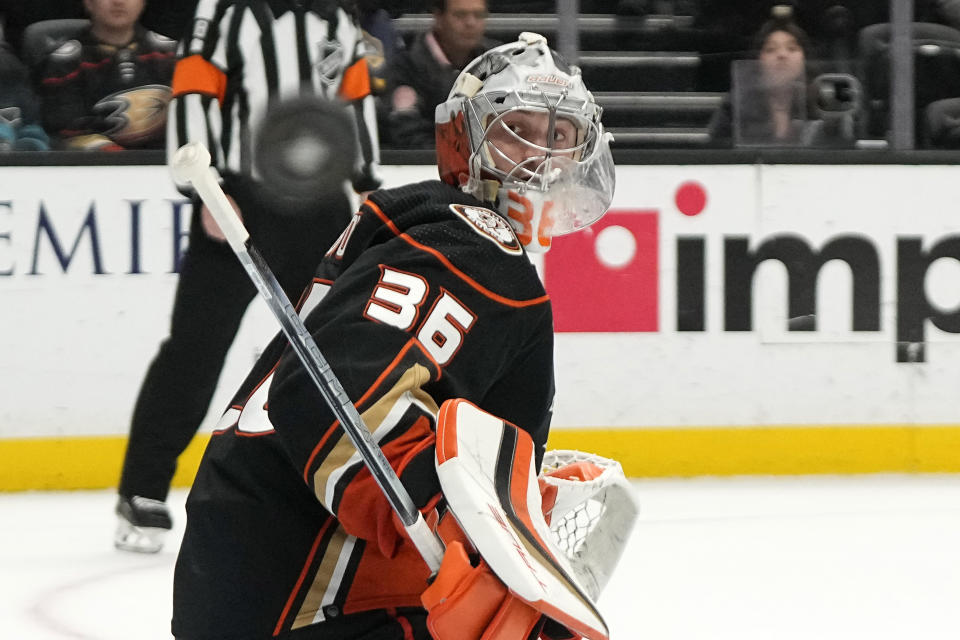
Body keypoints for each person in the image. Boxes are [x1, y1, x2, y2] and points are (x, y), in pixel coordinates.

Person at [171, 32, 615, 640]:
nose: (541, 156)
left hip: (243, 577)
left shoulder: (424, 234)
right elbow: (334, 396)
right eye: (519, 130)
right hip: (307, 600)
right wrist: (457, 527)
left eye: (560, 137)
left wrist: (501, 497)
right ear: (467, 137)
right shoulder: (480, 248)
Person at [114, 0, 383, 553]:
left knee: (331, 348)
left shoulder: (335, 16)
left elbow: (354, 98)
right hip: (237, 195)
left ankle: (332, 487)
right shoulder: (225, 9)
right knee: (196, 347)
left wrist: (366, 183)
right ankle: (141, 490)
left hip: (321, 201)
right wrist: (204, 186)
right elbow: (192, 93)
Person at [34, 0, 176, 151]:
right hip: (95, 166)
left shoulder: (171, 53)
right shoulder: (64, 62)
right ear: (88, 3)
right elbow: (66, 130)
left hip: (166, 163)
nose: (118, 2)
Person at [386, 0, 497, 148]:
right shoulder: (406, 67)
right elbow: (406, 132)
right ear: (438, 18)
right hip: (426, 165)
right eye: (460, 15)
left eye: (478, 15)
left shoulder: (497, 61)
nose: (470, 23)